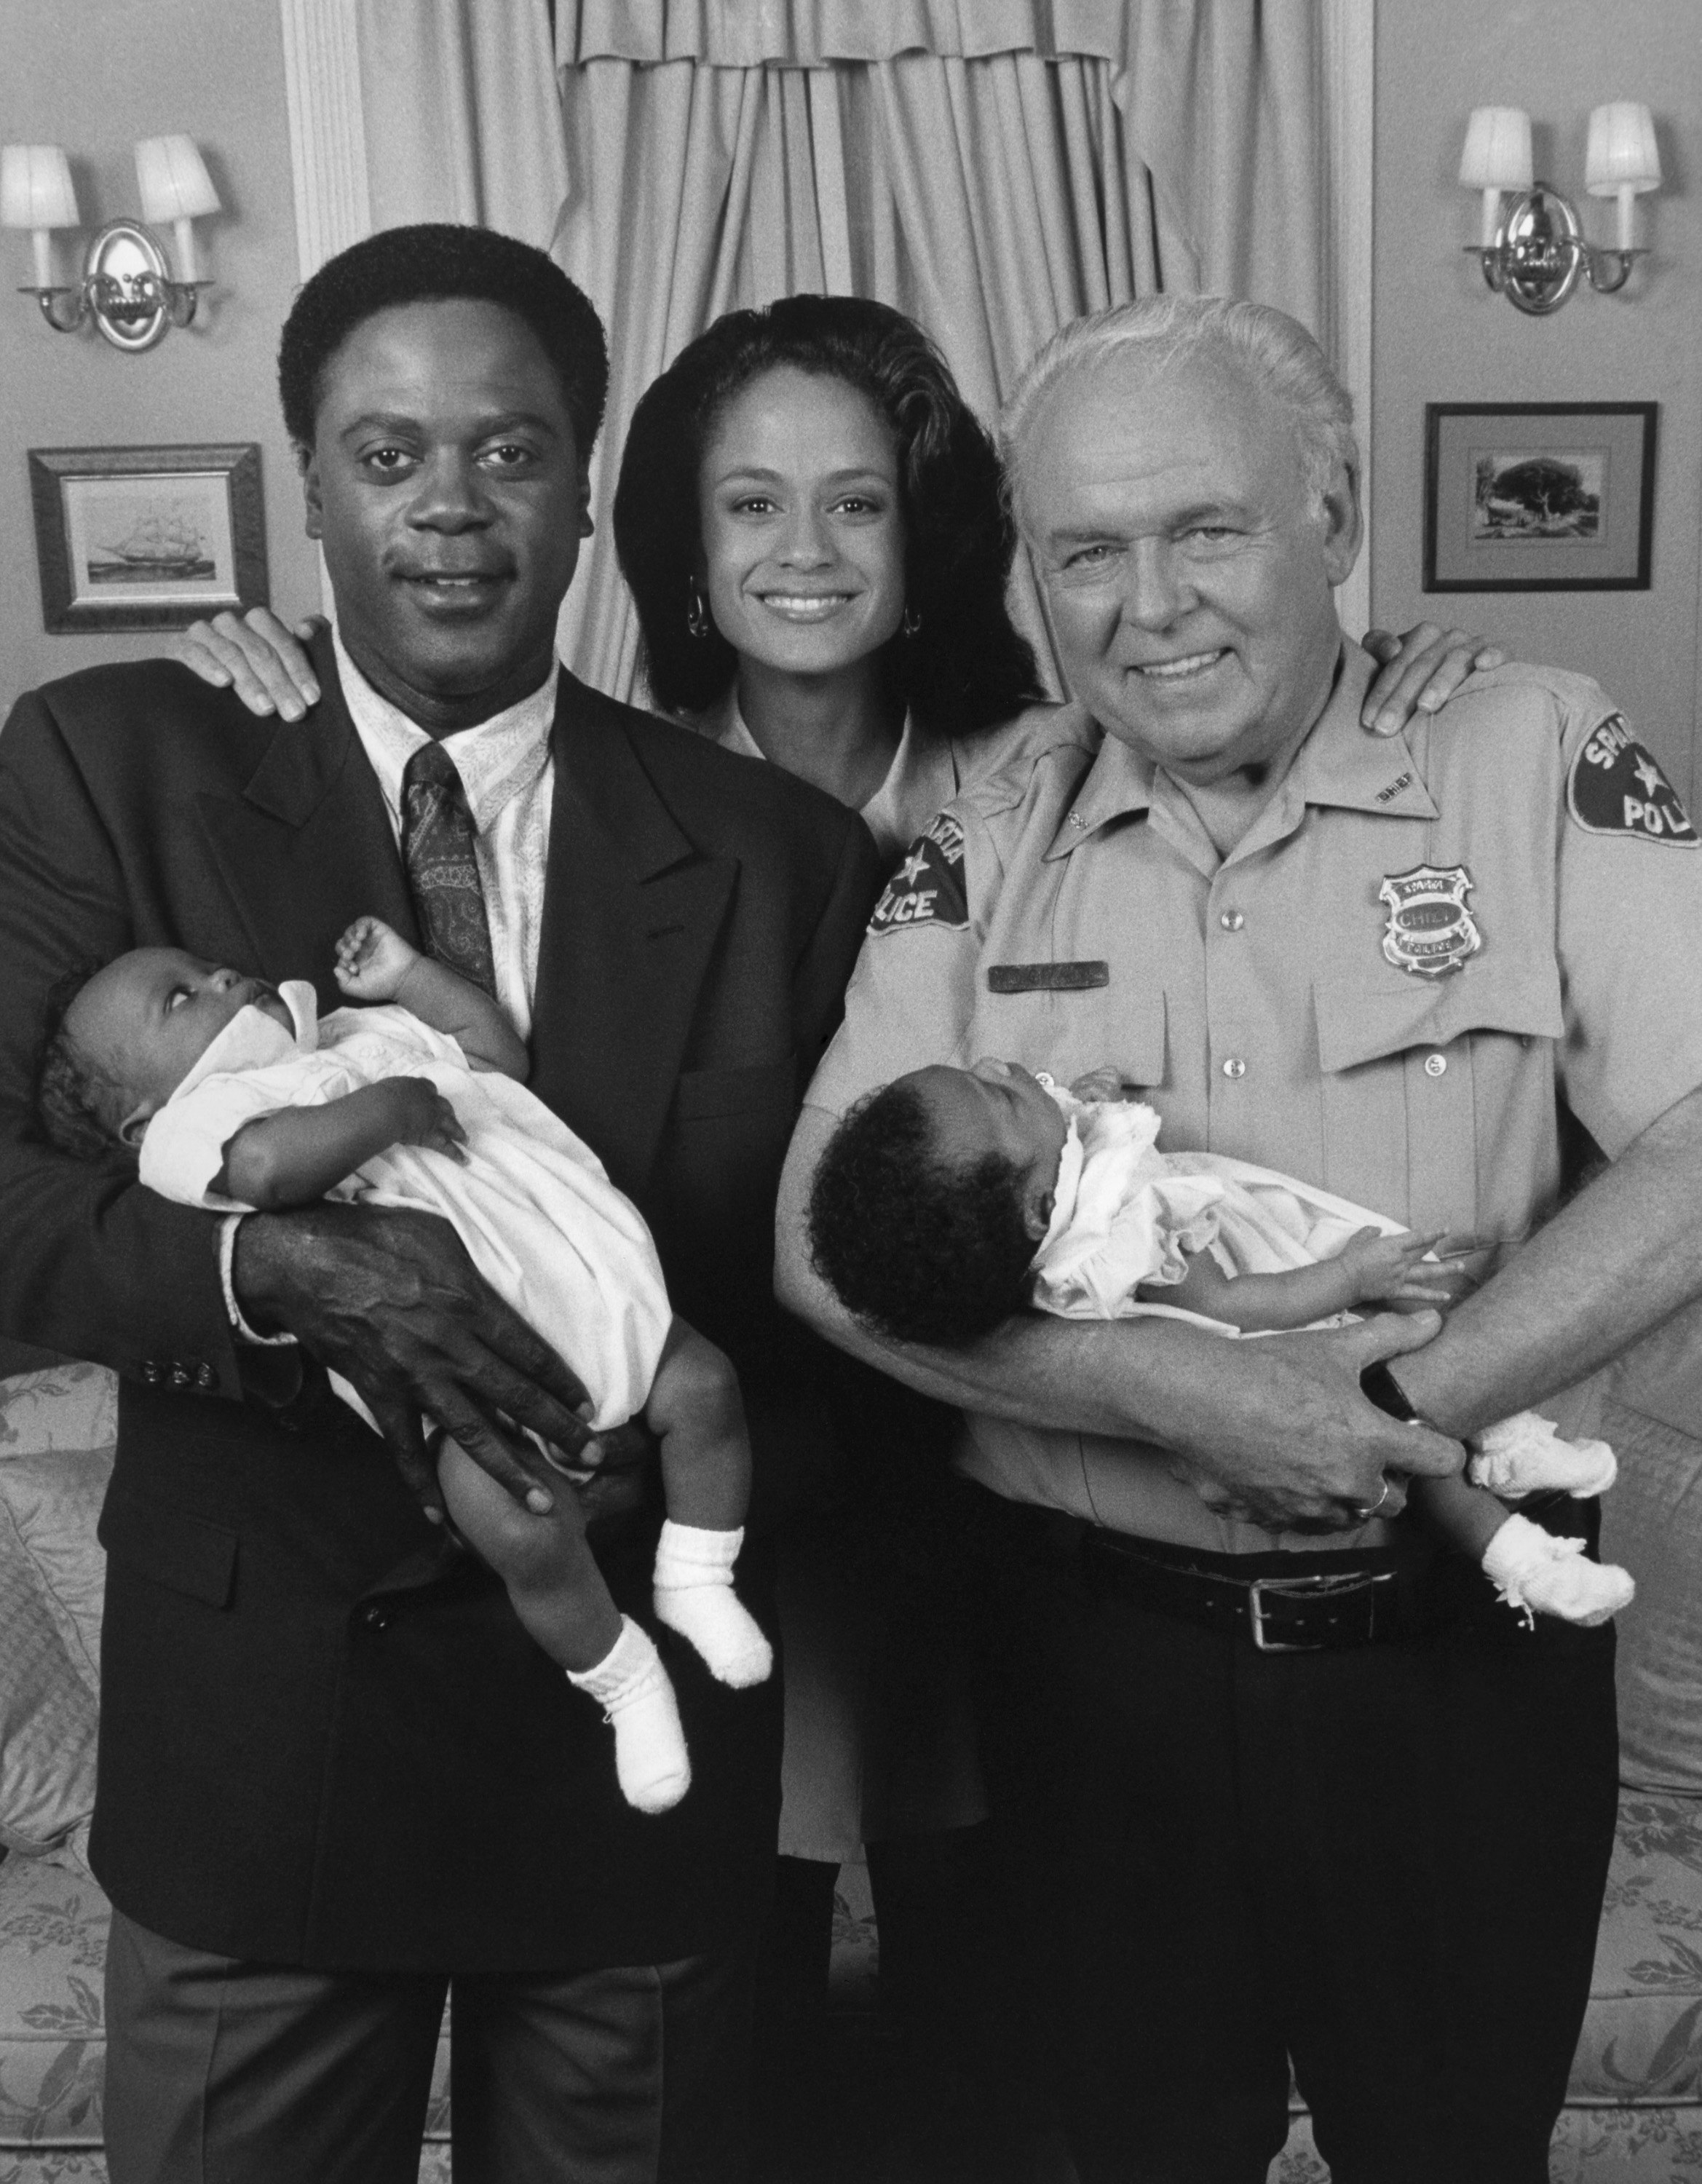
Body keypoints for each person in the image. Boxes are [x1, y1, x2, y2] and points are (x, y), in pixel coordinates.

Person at [175, 290, 1507, 2172]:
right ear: (678, 551)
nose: (806, 555)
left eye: (860, 505)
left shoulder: (1059, 765)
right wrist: (281, 657)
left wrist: (1395, 675)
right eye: (748, 509)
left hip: (995, 1466)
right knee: (752, 2005)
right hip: (729, 1455)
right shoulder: (603, 782)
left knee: (1009, 2002)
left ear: (931, 531)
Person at [774, 291, 1702, 2184]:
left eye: (1205, 530)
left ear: (1332, 518)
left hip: (1454, 1664)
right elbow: (816, 1230)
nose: (1150, 603)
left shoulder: (1530, 753)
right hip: (1076, 1679)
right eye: (1084, 552)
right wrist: (1165, 1389)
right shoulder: (985, 819)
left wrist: (1384, 1397)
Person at [0, 223, 882, 2184]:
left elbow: (843, 1308)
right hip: (264, 1750)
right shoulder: (110, 759)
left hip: (631, 1778)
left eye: (508, 450)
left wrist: (690, 1490)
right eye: (386, 454)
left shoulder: (776, 853)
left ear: (584, 486)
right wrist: (276, 1262)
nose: (450, 509)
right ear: (305, 476)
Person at [38, 918, 777, 1813]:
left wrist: (411, 976)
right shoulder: (198, 1127)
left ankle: (698, 1576)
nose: (223, 976)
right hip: (463, 1361)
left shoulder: (358, 1032)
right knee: (522, 1527)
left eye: (207, 967)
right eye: (180, 998)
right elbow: (269, 1171)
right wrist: (391, 1107)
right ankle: (624, 1679)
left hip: (588, 1280)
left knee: (706, 1389)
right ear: (140, 1115)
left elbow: (493, 1050)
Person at [806, 1056, 1633, 1626]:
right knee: (1405, 1428)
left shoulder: (1037, 1189)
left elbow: (1073, 1125)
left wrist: (1078, 1101)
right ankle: (1522, 1551)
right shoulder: (1115, 1242)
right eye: (1001, 1099)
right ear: (1036, 1214)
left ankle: (1513, 1449)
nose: (997, 1067)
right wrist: (1352, 1277)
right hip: (1292, 1325)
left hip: (1272, 1311)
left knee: (1422, 1384)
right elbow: (1242, 1303)